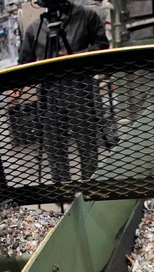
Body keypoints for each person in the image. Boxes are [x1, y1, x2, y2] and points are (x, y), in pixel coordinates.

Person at [18, 0, 108, 184]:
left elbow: (102, 45)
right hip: (50, 93)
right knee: (54, 146)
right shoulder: (36, 27)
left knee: (87, 143)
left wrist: (74, 58)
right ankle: (63, 191)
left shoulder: (86, 16)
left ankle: (90, 190)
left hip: (81, 89)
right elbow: (24, 64)